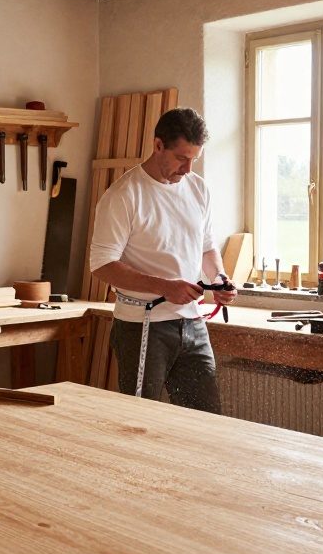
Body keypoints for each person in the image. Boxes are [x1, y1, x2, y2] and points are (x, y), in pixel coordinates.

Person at [88, 107, 237, 413]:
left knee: (207, 421)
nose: (188, 167)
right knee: (141, 422)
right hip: (143, 326)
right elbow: (102, 264)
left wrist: (220, 279)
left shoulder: (198, 189)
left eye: (194, 158)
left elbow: (207, 247)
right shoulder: (124, 195)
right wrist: (165, 287)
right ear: (158, 146)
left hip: (192, 323)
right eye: (182, 157)